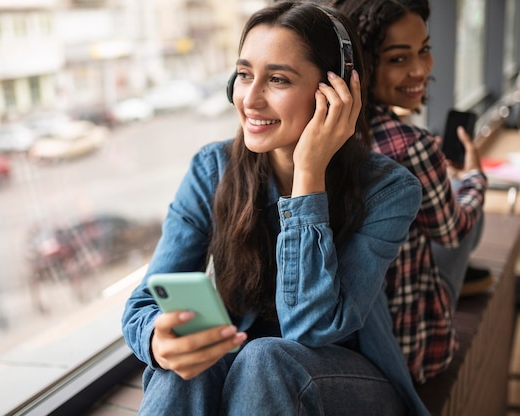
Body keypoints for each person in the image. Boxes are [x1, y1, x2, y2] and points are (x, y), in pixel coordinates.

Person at [122, 2, 429, 414]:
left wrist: (308, 176)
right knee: (184, 367)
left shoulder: (389, 190)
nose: (249, 99)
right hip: (248, 372)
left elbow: (311, 328)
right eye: (245, 74)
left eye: (278, 79)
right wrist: (158, 338)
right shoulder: (212, 169)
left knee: (266, 358)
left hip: (345, 381)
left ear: (337, 92)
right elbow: (146, 302)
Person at [332, 0, 489, 384]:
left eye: (424, 50)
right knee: (470, 210)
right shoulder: (412, 145)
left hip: (344, 341)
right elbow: (452, 232)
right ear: (362, 64)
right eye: (399, 59)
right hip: (410, 346)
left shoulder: (324, 133)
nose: (420, 69)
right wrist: (474, 179)